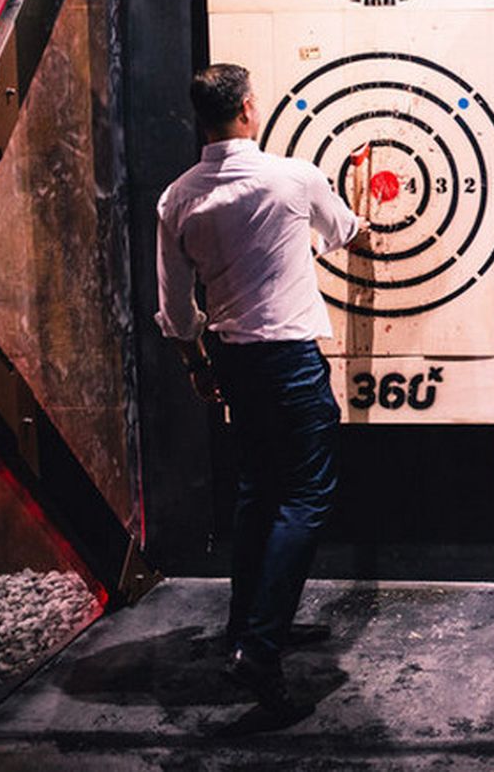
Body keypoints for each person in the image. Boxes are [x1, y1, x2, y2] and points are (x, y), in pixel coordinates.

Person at [156, 62, 362, 718]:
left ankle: (245, 628)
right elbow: (344, 229)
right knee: (304, 497)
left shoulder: (178, 198)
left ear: (201, 118)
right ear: (248, 108)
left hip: (231, 361)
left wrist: (196, 365)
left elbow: (176, 310)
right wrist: (334, 218)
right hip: (290, 362)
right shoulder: (294, 178)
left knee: (258, 491)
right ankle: (261, 648)